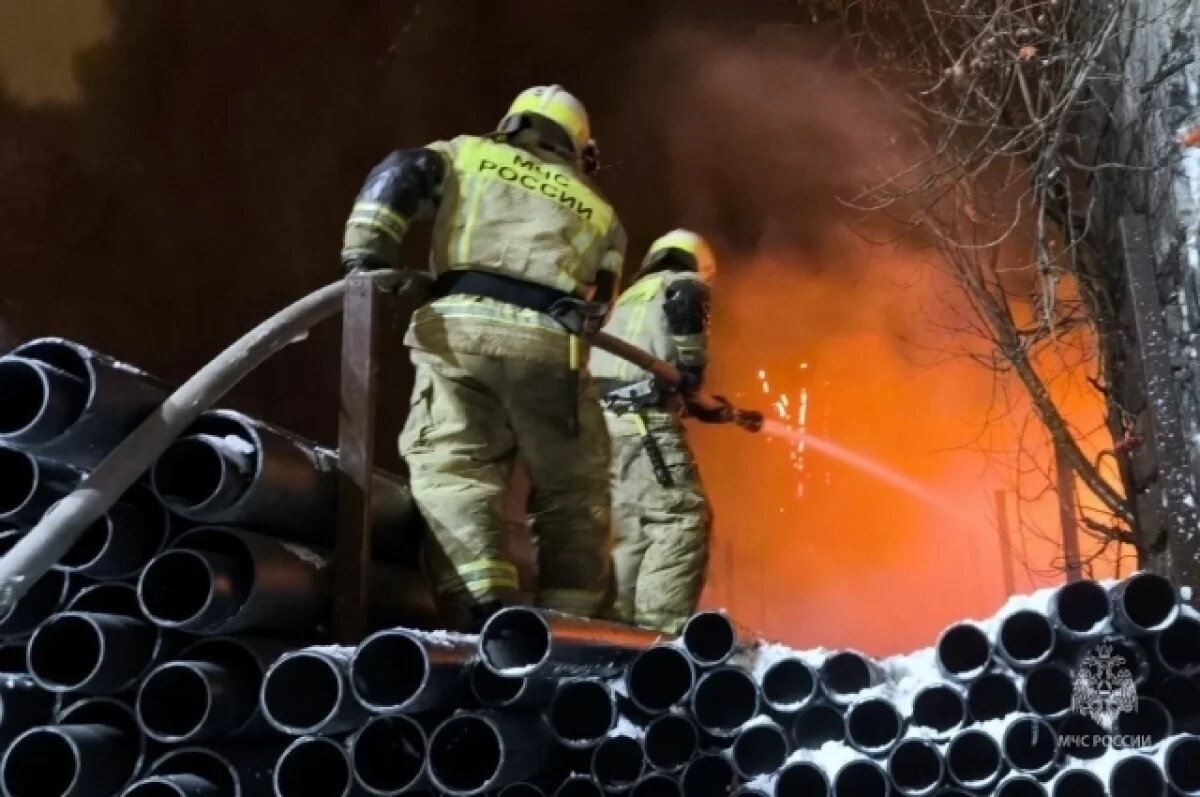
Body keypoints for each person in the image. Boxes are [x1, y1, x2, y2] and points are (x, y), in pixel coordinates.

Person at [340, 85, 627, 628]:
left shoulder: (468, 154)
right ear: (578, 144)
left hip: (460, 331)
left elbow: (400, 172)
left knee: (454, 465)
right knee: (573, 491)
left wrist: (369, 255)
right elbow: (602, 303)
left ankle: (484, 609)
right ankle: (574, 627)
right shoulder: (599, 209)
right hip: (551, 348)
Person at [589, 230, 727, 633]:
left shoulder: (624, 300)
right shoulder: (680, 282)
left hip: (603, 424)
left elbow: (636, 368)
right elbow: (687, 300)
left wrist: (697, 402)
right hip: (642, 424)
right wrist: (692, 371)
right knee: (679, 520)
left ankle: (617, 640)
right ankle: (658, 639)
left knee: (633, 533)